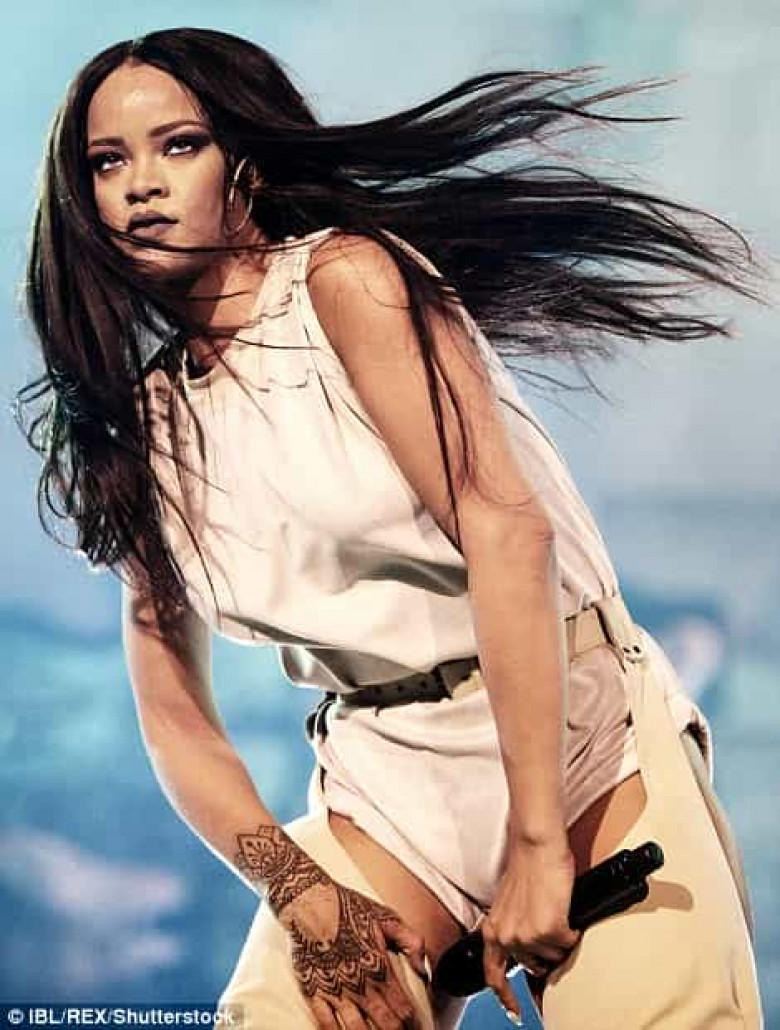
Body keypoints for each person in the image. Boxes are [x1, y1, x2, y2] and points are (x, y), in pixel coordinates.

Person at [15, 26, 766, 1030]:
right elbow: (174, 712)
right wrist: (299, 888)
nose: (140, 184)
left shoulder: (346, 280)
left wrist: (537, 840)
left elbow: (508, 531)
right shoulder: (143, 424)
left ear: (244, 165)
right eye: (107, 162)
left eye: (178, 145)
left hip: (576, 735)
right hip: (385, 776)